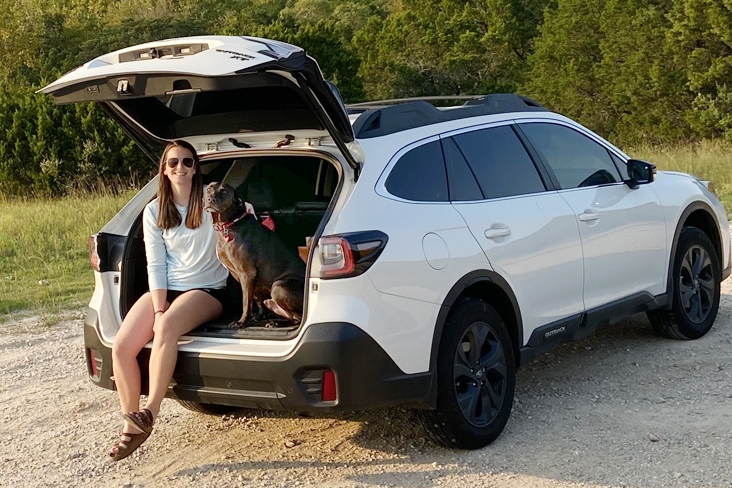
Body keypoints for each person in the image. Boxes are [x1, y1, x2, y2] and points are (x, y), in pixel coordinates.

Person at [108, 140, 228, 461]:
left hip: (208, 290)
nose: (180, 168)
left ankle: (150, 411)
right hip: (168, 288)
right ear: (164, 168)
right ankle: (131, 424)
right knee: (121, 347)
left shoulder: (211, 203)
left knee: (167, 328)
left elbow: (238, 219)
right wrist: (159, 307)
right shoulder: (154, 210)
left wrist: (248, 214)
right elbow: (155, 264)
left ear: (195, 168)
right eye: (173, 162)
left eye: (187, 162)